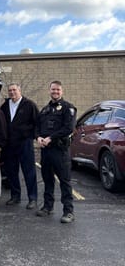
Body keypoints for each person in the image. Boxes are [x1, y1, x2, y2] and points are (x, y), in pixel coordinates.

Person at [35, 81, 77, 223]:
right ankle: (48, 207)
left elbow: (69, 128)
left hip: (60, 150)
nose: (55, 92)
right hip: (46, 151)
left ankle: (68, 212)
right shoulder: (45, 110)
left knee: (64, 181)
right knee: (47, 180)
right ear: (49, 91)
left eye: (58, 90)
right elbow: (37, 127)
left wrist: (51, 138)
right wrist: (38, 137)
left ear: (62, 91)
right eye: (53, 89)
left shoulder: (68, 108)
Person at [0, 83, 39, 209]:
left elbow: (37, 123)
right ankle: (15, 196)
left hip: (25, 143)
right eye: (10, 90)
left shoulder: (29, 105)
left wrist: (32, 137)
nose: (12, 92)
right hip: (10, 144)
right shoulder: (5, 106)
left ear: (19, 90)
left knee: (29, 171)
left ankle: (32, 198)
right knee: (11, 172)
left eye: (14, 90)